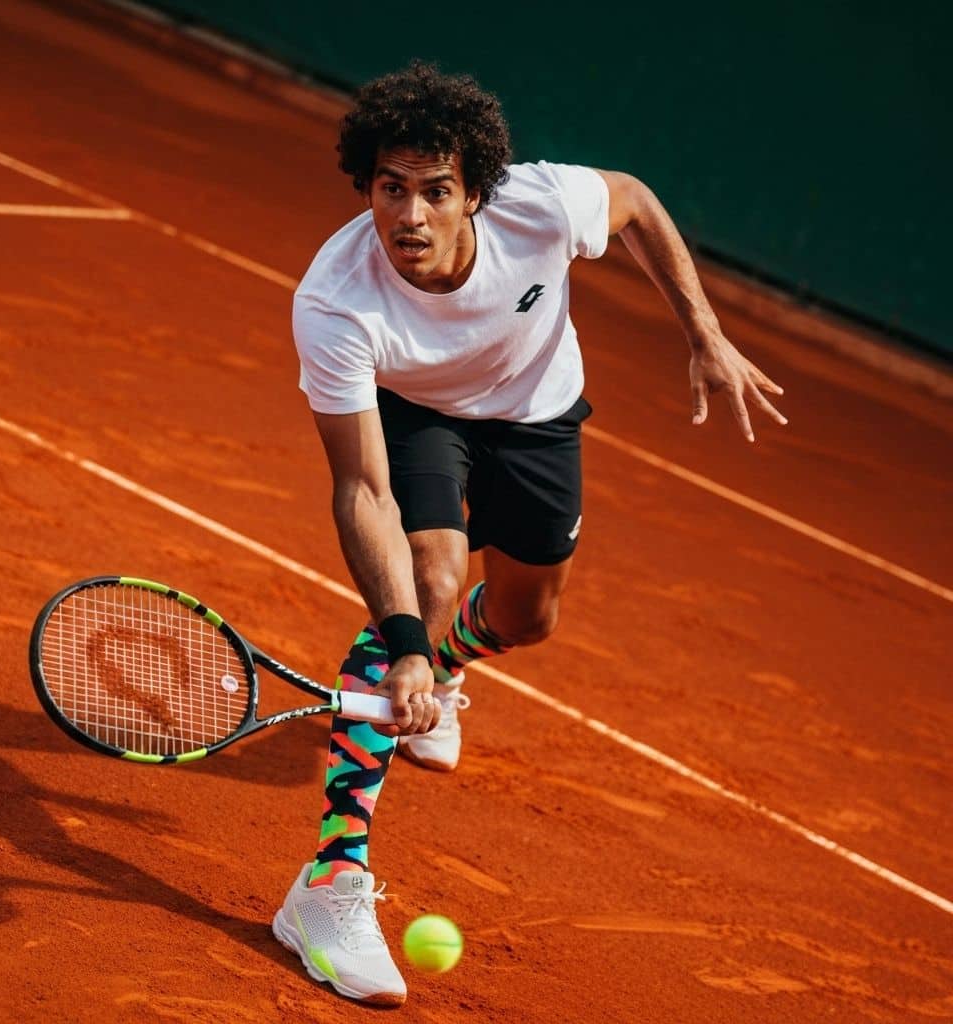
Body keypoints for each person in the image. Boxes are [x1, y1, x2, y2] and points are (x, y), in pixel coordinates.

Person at [271, 61, 787, 1005]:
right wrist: (403, 642)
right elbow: (362, 491)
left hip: (538, 409)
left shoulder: (541, 206)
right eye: (391, 189)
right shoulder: (337, 300)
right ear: (367, 190)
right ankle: (330, 887)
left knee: (527, 615)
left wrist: (703, 331)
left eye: (435, 191)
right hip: (417, 413)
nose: (411, 217)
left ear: (476, 193)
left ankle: (455, 657)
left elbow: (632, 201)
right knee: (428, 588)